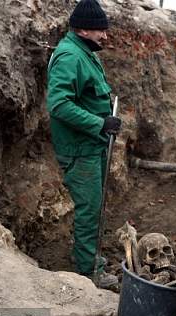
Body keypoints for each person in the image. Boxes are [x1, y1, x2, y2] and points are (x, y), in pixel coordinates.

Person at [46, 0, 121, 289]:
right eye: (101, 30)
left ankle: (90, 259)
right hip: (79, 149)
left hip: (91, 145)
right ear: (83, 29)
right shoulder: (70, 57)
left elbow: (88, 97)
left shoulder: (86, 53)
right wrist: (99, 123)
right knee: (89, 208)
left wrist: (104, 120)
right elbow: (59, 105)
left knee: (94, 205)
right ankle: (88, 273)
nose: (105, 36)